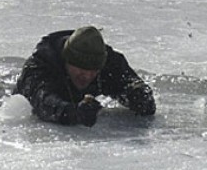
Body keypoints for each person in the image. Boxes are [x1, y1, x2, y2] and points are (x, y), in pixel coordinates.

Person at [13, 26, 156, 127]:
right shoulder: (41, 66)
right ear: (67, 61)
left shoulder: (109, 62)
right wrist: (73, 113)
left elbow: (131, 83)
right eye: (80, 68)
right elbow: (43, 102)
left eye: (93, 70)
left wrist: (139, 96)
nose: (87, 76)